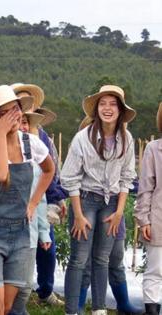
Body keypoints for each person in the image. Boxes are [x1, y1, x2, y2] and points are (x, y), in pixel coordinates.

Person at [0, 85, 55, 315]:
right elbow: (1, 174)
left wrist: (34, 203)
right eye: (5, 112)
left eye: (15, 109)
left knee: (7, 307)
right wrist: (2, 136)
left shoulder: (32, 143)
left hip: (20, 232)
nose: (13, 116)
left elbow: (49, 170)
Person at [61, 85, 136, 315]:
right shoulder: (83, 138)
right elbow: (69, 178)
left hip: (112, 202)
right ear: (96, 109)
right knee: (79, 259)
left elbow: (126, 178)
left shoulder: (127, 139)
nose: (108, 108)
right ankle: (72, 310)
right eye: (103, 103)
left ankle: (99, 309)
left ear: (120, 110)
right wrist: (79, 214)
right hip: (85, 200)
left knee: (102, 258)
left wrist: (120, 212)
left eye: (113, 104)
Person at [76, 116, 143, 315]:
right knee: (87, 262)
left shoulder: (124, 144)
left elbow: (128, 178)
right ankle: (79, 305)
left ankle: (122, 303)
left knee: (115, 258)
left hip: (114, 212)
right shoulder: (87, 136)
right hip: (91, 208)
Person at [12, 82, 67, 306]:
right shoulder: (8, 138)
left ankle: (45, 290)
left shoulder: (44, 138)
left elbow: (53, 171)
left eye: (29, 103)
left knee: (46, 246)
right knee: (18, 249)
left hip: (42, 200)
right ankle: (15, 292)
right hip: (16, 202)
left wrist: (58, 198)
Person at [134, 103, 162, 315]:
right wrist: (144, 219)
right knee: (155, 271)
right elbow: (146, 187)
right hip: (158, 217)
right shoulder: (154, 149)